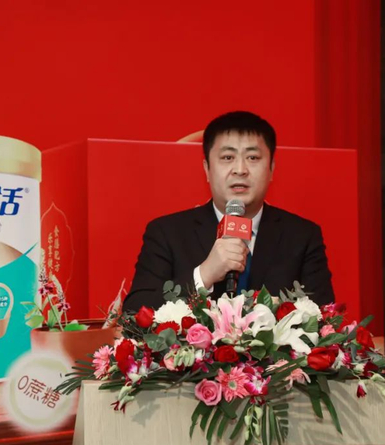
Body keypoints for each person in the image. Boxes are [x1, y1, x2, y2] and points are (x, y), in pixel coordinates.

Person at [123, 111, 334, 312]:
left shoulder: (302, 236)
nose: (240, 170)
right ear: (207, 169)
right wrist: (204, 275)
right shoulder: (167, 233)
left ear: (271, 169)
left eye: (253, 158)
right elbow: (135, 311)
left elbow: (325, 318)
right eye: (227, 157)